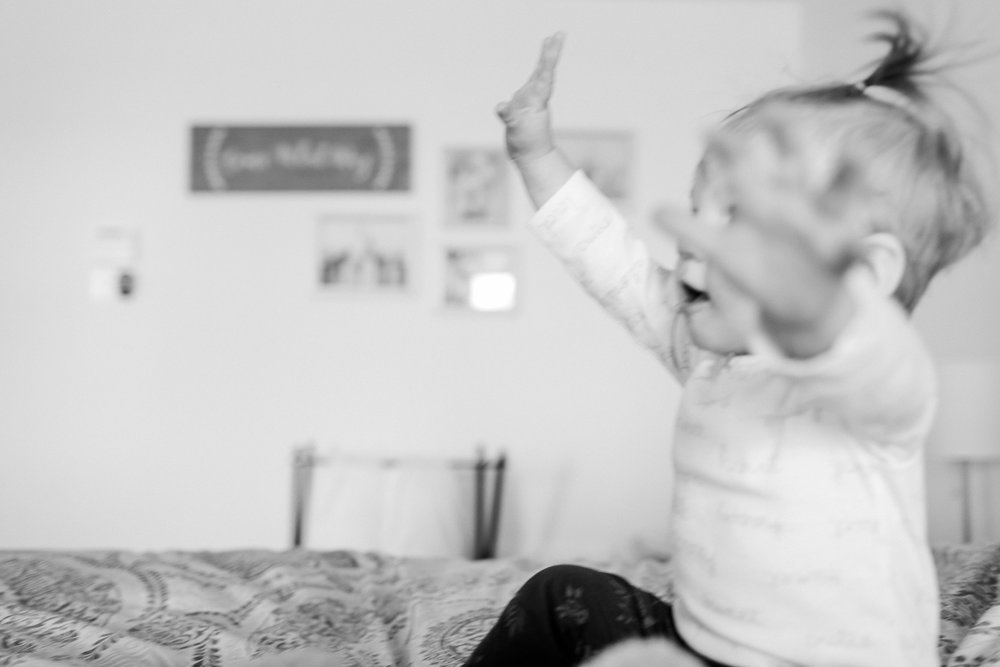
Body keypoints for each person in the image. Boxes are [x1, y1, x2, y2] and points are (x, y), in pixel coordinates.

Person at [463, 11, 994, 667]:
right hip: (702, 646)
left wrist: (819, 312)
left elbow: (877, 351)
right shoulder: (709, 355)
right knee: (562, 593)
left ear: (862, 278)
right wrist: (538, 155)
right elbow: (614, 264)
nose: (692, 235)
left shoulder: (875, 398)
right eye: (698, 210)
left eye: (736, 222)